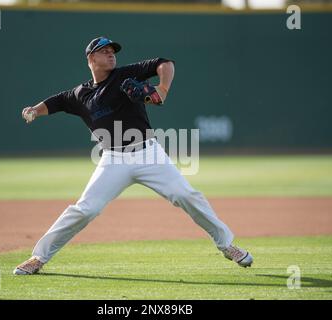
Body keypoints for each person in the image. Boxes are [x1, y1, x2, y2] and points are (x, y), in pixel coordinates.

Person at [13, 37, 253, 275]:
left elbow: (165, 63)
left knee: (186, 195)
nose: (110, 54)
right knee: (86, 209)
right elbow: (56, 102)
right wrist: (35, 110)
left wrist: (163, 89)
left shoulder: (126, 75)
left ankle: (227, 245)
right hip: (113, 159)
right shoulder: (80, 94)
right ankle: (38, 257)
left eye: (112, 51)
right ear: (91, 58)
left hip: (148, 153)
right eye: (104, 51)